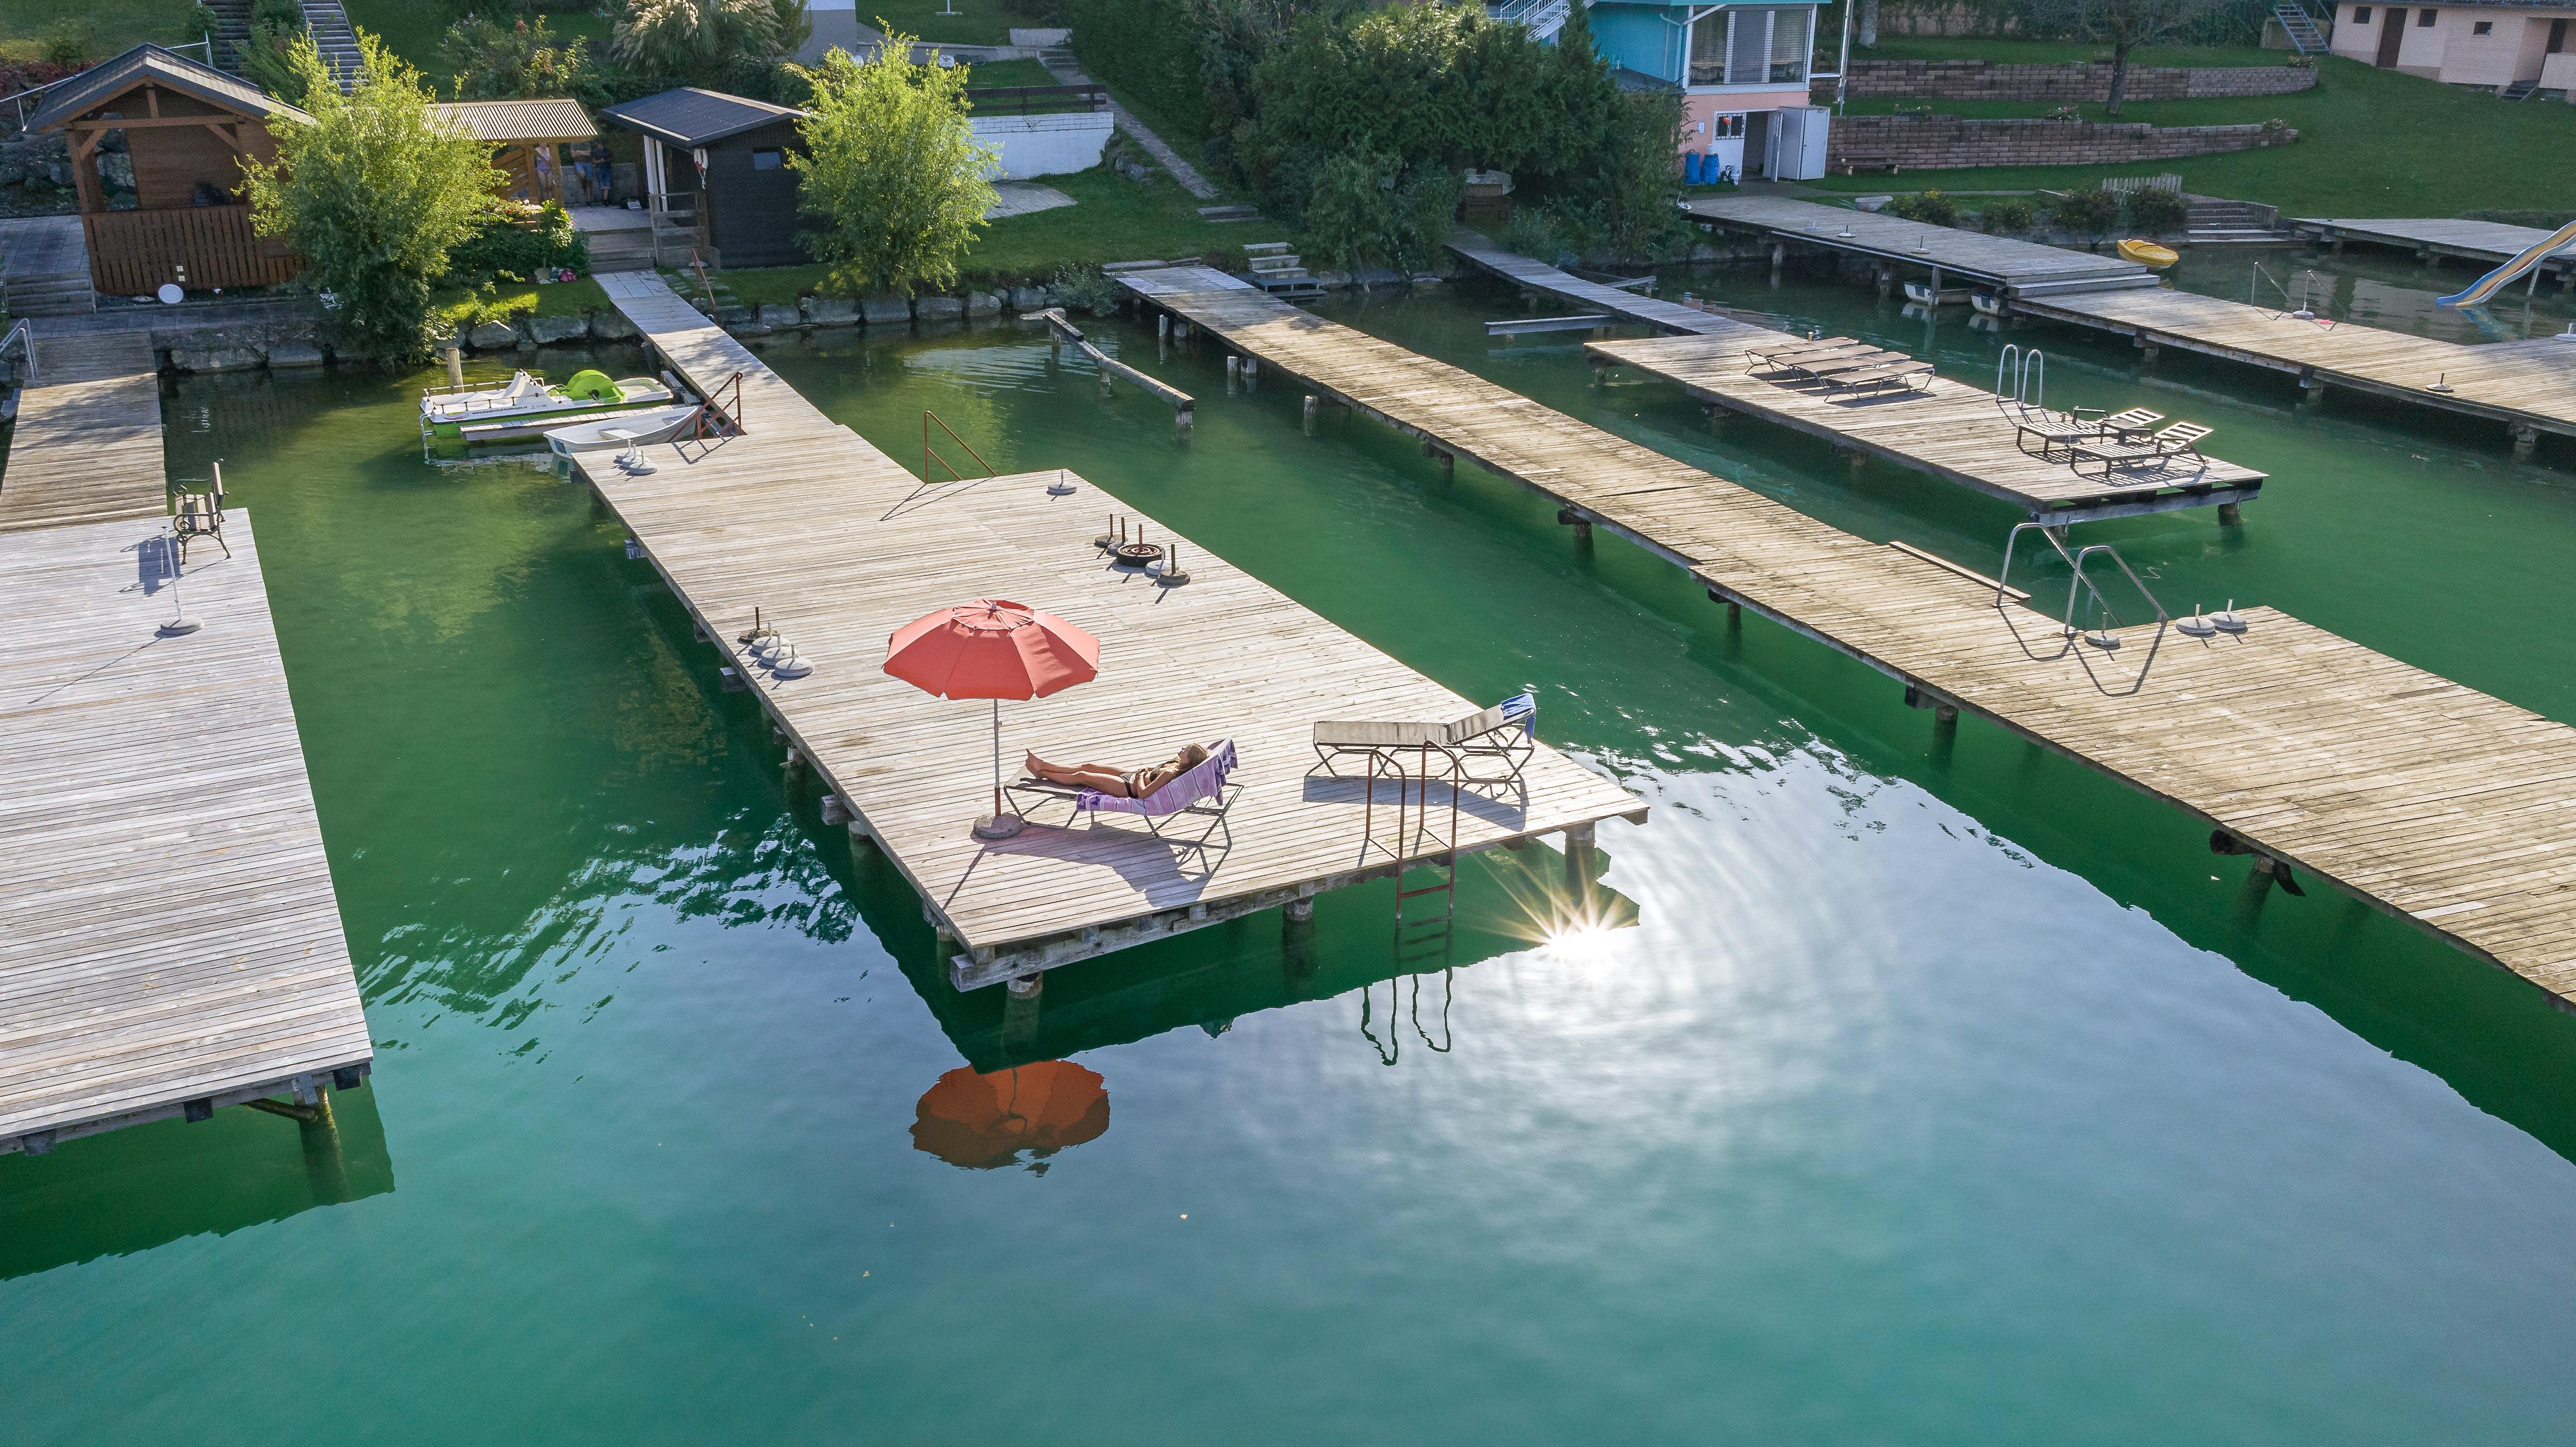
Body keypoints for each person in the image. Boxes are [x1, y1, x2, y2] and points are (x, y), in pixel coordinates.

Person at [1025, 744, 1210, 799]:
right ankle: (1044, 764)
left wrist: (1140, 777)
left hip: (1128, 788)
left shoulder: (1171, 774)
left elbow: (1144, 793)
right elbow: (1153, 772)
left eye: (1186, 750)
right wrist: (1145, 771)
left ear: (1189, 760)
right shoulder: (1176, 762)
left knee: (1083, 777)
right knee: (1088, 766)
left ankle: (1043, 773)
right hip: (1131, 776)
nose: (1182, 749)